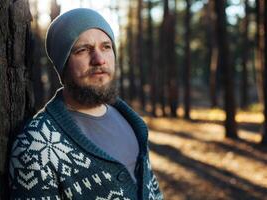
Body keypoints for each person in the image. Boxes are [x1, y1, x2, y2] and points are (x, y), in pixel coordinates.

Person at [9, 8, 163, 200]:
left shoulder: (132, 121)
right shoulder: (36, 144)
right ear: (62, 64)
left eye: (106, 47)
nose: (99, 60)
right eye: (83, 50)